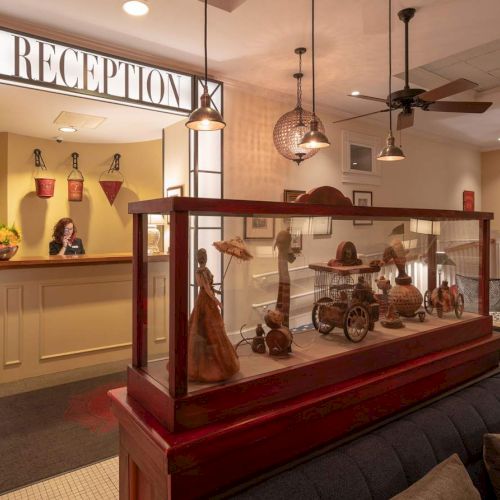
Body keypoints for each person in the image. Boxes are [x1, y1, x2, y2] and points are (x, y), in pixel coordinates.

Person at [187, 248, 239, 383]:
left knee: (206, 328)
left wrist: (216, 291)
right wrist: (217, 301)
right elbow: (206, 288)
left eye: (203, 256)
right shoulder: (201, 272)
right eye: (204, 256)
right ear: (202, 258)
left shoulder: (203, 271)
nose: (204, 258)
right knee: (208, 328)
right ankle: (209, 366)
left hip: (205, 298)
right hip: (206, 300)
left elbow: (208, 287)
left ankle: (211, 362)